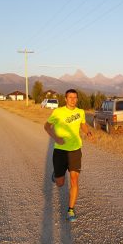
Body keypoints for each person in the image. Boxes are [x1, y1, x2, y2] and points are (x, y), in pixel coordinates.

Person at [44, 89, 93, 222]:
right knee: (60, 183)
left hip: (75, 149)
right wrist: (56, 138)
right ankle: (56, 175)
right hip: (60, 150)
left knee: (74, 180)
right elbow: (47, 126)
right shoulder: (58, 112)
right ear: (65, 99)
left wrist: (87, 132)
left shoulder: (80, 112)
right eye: (70, 97)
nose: (73, 99)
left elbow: (83, 124)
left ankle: (70, 210)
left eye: (75, 97)